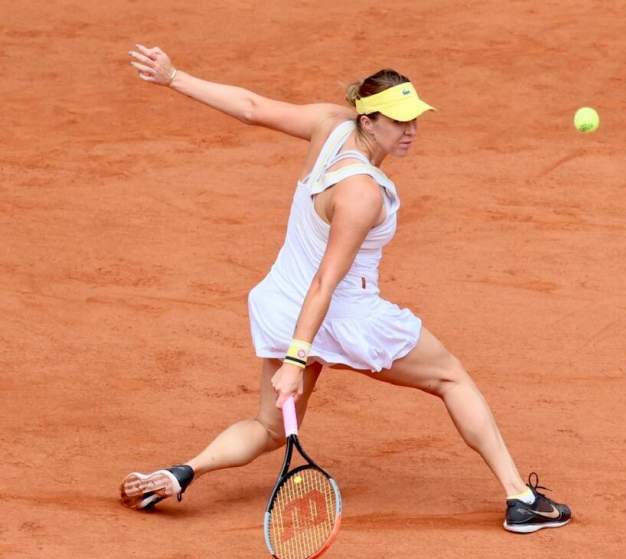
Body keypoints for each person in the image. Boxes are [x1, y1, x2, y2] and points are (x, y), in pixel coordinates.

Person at [119, 44, 571, 534]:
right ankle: (519, 498)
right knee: (451, 378)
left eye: (415, 119)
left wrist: (174, 77)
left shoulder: (330, 124)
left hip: (280, 302)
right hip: (337, 313)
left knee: (270, 430)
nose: (410, 132)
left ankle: (179, 473)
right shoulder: (362, 192)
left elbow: (250, 108)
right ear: (369, 119)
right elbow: (326, 282)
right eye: (398, 122)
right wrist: (297, 359)